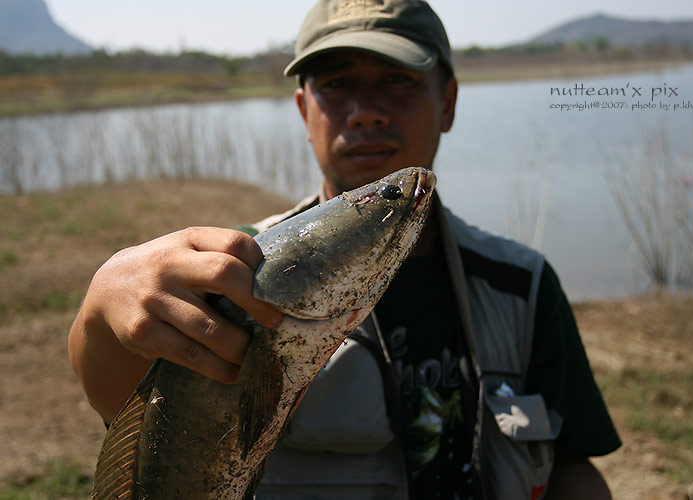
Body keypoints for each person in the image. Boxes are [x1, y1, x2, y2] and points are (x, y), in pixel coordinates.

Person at [68, 0, 621, 498]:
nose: (366, 111)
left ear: (448, 102)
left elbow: (573, 463)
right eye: (336, 85)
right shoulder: (232, 275)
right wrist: (101, 313)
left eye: (397, 80)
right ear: (303, 111)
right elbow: (119, 400)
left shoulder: (520, 285)